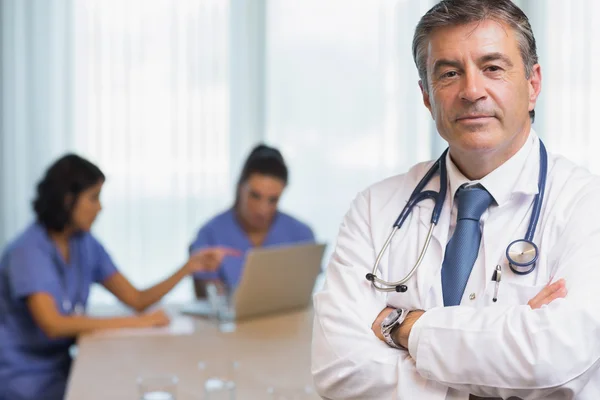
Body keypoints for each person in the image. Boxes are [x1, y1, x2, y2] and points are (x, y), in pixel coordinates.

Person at [312, 1, 600, 399]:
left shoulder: (587, 205)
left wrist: (403, 327)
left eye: (493, 68)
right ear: (427, 97)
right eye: (449, 73)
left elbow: (559, 360)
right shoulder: (374, 209)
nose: (472, 91)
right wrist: (505, 352)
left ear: (533, 85)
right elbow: (338, 369)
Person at [0, 154, 236, 400]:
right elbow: (53, 324)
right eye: (93, 198)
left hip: (62, 368)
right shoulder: (27, 250)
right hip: (23, 376)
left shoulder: (84, 244)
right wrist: (138, 323)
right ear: (67, 199)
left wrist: (188, 267)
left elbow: (136, 299)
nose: (100, 207)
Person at [190, 144, 315, 297]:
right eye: (255, 196)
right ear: (240, 187)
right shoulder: (210, 234)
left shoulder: (301, 235)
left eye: (273, 200)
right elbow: (212, 301)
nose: (263, 210)